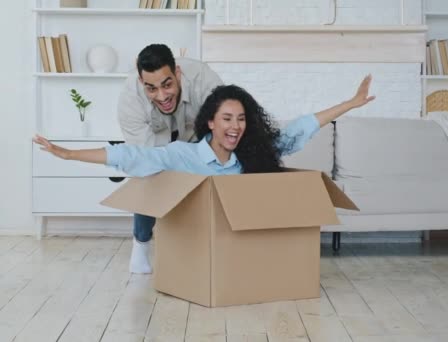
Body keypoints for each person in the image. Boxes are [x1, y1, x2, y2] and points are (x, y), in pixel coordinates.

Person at [33, 75, 375, 273]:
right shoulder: (184, 155)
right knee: (146, 172)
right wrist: (69, 154)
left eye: (241, 119)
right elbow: (131, 155)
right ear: (210, 122)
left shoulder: (251, 154)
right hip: (197, 251)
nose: (235, 126)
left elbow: (297, 131)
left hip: (242, 252)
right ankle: (141, 245)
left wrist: (349, 103)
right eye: (227, 118)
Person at [116, 43, 222, 273]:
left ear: (178, 73)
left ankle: (206, 244)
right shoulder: (130, 101)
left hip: (198, 135)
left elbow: (224, 133)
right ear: (141, 83)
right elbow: (144, 160)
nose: (162, 95)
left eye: (167, 84)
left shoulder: (205, 81)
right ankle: (141, 246)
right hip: (156, 141)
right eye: (151, 88)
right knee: (148, 175)